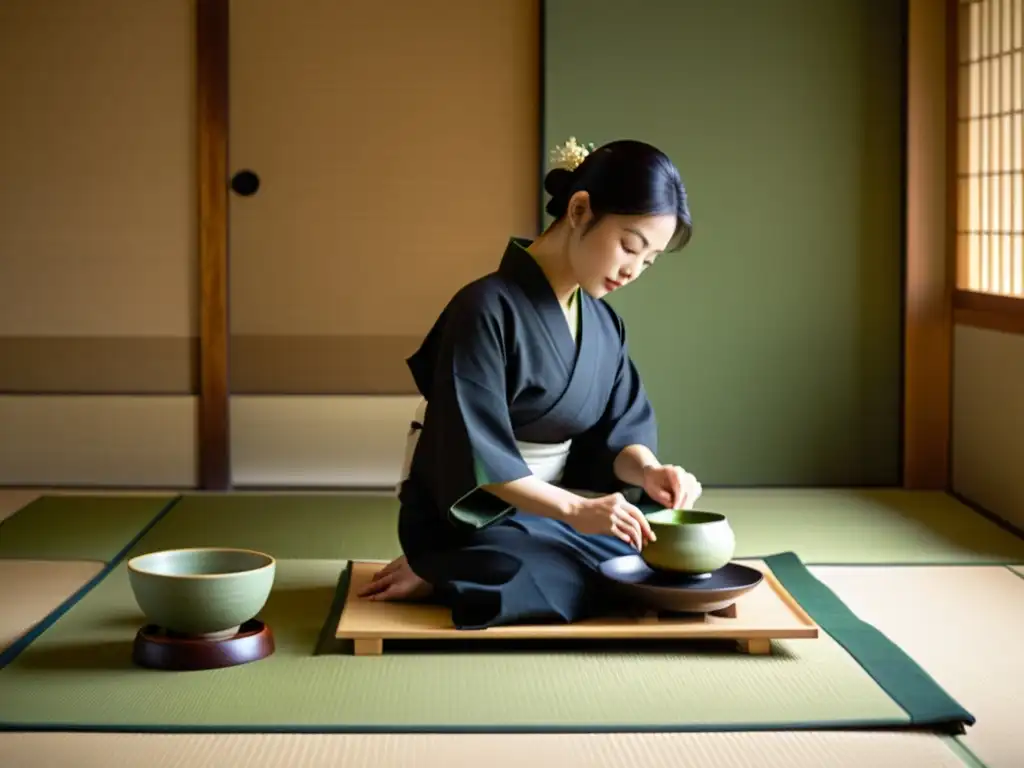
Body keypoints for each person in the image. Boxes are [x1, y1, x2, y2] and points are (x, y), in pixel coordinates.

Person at [358, 137, 703, 629]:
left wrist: (648, 471)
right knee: (551, 574)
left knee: (645, 554)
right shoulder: (483, 308)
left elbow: (615, 434)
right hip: (477, 514)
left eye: (648, 261)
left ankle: (467, 572)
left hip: (558, 511)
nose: (633, 270)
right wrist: (572, 511)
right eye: (630, 245)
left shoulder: (604, 325)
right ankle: (440, 565)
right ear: (580, 210)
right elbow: (475, 453)